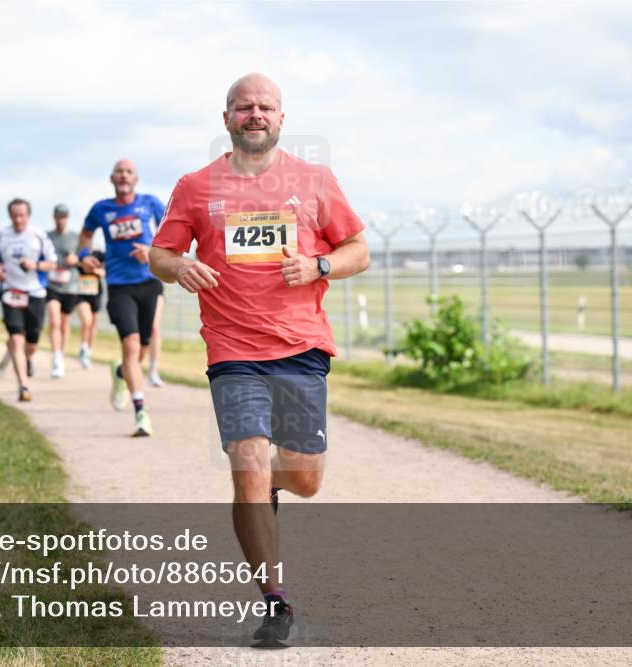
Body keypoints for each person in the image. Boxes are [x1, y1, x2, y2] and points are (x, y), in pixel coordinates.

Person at [150, 73, 370, 645]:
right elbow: (160, 254)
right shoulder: (196, 186)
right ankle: (276, 600)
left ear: (281, 118)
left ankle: (271, 484)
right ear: (226, 118)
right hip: (232, 350)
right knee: (247, 465)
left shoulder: (314, 181)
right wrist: (180, 266)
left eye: (265, 107)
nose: (255, 114)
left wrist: (320, 266)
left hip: (301, 347)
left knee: (306, 479)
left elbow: (358, 249)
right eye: (243, 106)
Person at [79, 159, 165, 437]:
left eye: (129, 172)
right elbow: (85, 236)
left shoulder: (150, 204)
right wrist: (84, 256)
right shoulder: (101, 209)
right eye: (119, 171)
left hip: (149, 281)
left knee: (141, 350)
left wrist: (151, 251)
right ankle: (141, 412)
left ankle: (121, 373)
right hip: (119, 285)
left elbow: (173, 234)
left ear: (136, 179)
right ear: (112, 178)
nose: (124, 175)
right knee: (130, 345)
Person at [0, 198, 57, 402]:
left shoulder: (38, 235)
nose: (18, 220)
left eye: (22, 215)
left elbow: (53, 263)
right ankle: (24, 386)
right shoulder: (1, 236)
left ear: (28, 216)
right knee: (17, 337)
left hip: (35, 292)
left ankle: (21, 356)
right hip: (11, 292)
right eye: (14, 216)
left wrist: (36, 265)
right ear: (10, 216)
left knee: (32, 342)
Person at [45, 204, 81, 378]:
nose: (61, 220)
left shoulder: (76, 238)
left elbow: (85, 258)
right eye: (58, 216)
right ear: (54, 218)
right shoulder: (47, 237)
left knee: (65, 323)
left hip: (70, 285)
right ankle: (56, 357)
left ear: (68, 218)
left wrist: (76, 259)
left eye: (64, 217)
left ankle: (61, 353)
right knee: (54, 319)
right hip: (51, 284)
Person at [73, 249, 105, 369]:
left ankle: (88, 352)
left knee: (93, 324)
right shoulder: (81, 251)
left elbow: (106, 270)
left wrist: (96, 270)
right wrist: (82, 264)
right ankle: (83, 347)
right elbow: (72, 262)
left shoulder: (100, 254)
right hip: (81, 294)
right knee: (87, 321)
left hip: (95, 293)